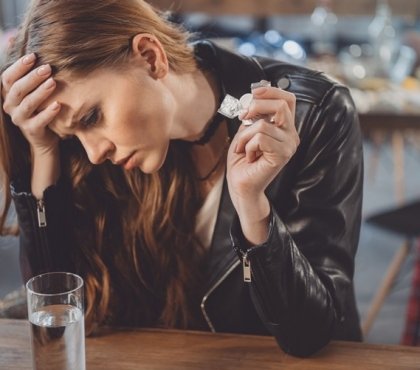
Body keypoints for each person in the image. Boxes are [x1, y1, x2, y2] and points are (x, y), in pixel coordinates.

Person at [0, 0, 363, 357]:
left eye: (92, 117)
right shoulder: (96, 161)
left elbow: (309, 335)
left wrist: (252, 206)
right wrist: (44, 151)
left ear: (150, 57)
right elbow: (59, 322)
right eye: (72, 136)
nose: (94, 153)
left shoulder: (315, 114)